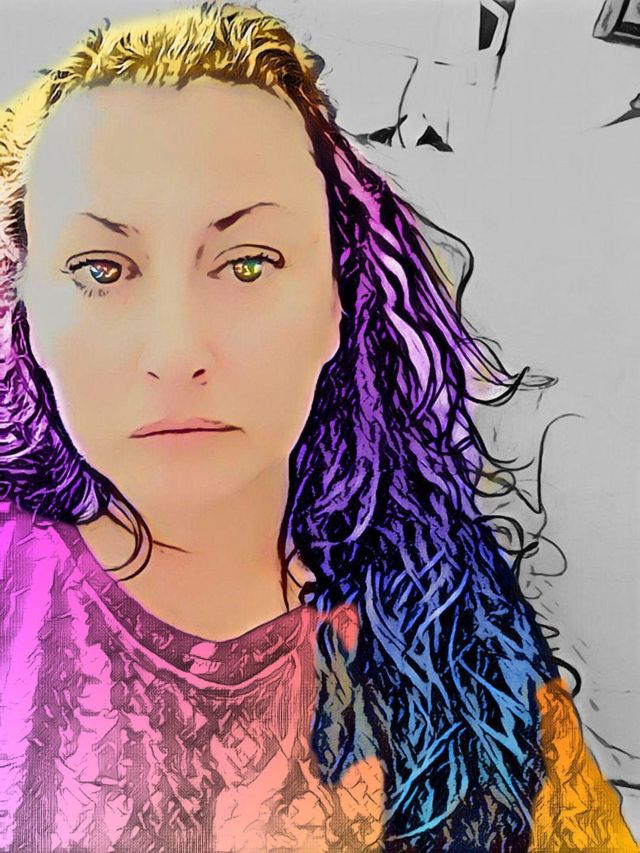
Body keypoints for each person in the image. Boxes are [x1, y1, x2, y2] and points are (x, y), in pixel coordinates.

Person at [0, 3, 635, 851]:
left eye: (248, 263)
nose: (176, 351)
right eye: (102, 269)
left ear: (338, 300)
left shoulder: (447, 599)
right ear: (27, 313)